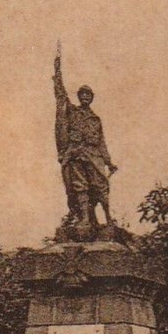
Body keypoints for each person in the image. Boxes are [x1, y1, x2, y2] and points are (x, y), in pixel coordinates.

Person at [53, 46, 118, 230]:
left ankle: (108, 219)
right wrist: (57, 72)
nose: (85, 97)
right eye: (82, 94)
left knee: (101, 186)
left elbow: (102, 142)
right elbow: (60, 94)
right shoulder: (72, 112)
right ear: (79, 96)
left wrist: (109, 161)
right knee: (80, 186)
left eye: (88, 95)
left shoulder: (96, 119)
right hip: (75, 154)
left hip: (93, 154)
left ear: (92, 98)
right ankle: (85, 219)